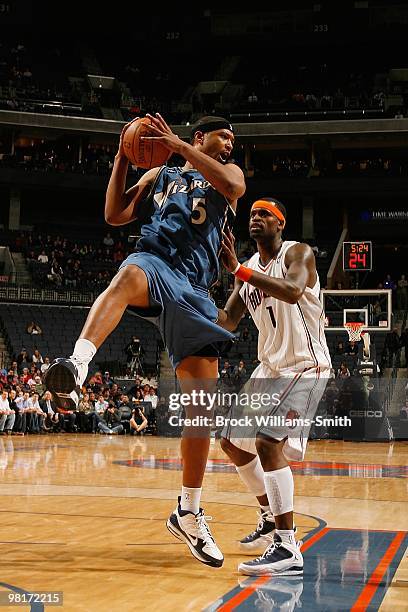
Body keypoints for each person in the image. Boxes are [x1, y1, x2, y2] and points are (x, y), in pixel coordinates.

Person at [44, 113, 245, 568]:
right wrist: (121, 155)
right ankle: (77, 364)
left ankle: (189, 512)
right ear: (201, 136)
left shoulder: (225, 178)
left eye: (233, 138)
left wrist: (178, 145)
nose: (230, 143)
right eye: (223, 135)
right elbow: (115, 214)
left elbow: (233, 187)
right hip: (156, 262)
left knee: (201, 412)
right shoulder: (160, 175)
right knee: (127, 275)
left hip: (195, 289)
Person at [217, 197, 331, 576]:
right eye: (252, 214)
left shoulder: (299, 252)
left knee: (267, 441)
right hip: (269, 368)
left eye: (264, 214)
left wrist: (239, 271)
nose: (256, 219)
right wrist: (182, 296)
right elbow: (228, 320)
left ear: (280, 223)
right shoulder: (246, 268)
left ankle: (287, 546)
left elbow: (294, 290)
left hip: (305, 364)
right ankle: (269, 517)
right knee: (231, 441)